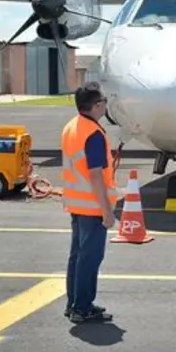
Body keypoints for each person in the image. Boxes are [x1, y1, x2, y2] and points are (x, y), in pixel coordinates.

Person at [62, 82, 117, 324]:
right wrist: (107, 211)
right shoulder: (93, 134)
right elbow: (95, 175)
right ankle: (82, 308)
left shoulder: (73, 126)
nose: (106, 104)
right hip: (92, 206)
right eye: (104, 101)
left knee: (77, 257)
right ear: (96, 106)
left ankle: (73, 304)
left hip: (76, 204)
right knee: (90, 259)